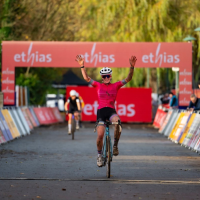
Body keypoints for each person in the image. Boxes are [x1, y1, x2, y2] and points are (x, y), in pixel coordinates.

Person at [75, 54, 137, 167]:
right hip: (101, 112)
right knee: (100, 136)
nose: (106, 78)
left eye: (108, 76)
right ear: (102, 78)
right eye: (104, 76)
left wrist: (132, 67)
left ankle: (115, 146)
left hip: (111, 111)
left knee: (118, 122)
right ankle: (99, 155)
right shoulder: (98, 85)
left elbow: (128, 79)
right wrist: (82, 66)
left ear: (111, 76)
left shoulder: (116, 85)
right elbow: (86, 78)